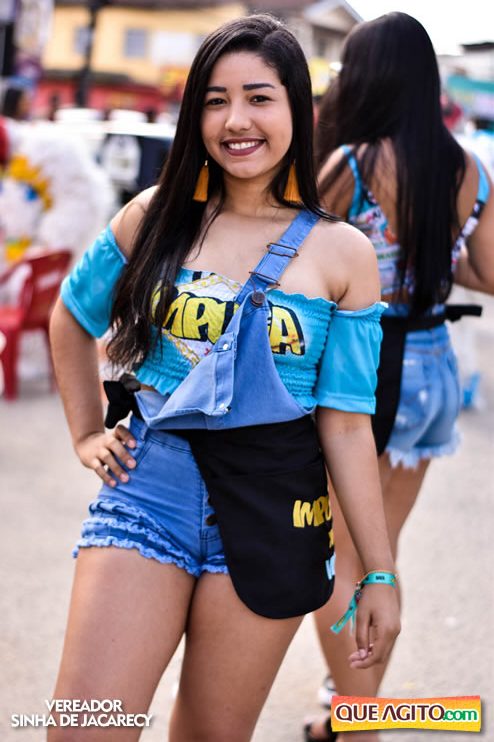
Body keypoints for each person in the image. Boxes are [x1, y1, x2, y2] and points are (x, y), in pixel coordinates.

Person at [48, 14, 400, 742]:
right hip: (147, 493)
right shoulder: (152, 217)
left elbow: (345, 423)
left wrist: (378, 573)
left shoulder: (344, 254)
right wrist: (85, 432)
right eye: (215, 100)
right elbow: (71, 316)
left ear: (297, 109)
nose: (236, 120)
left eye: (258, 97)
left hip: (275, 510)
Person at [307, 12, 494, 741]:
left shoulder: (350, 164)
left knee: (338, 557)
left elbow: (300, 261)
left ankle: (357, 721)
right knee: (381, 562)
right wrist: (430, 256)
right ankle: (354, 712)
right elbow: (488, 273)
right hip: (433, 371)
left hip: (364, 374)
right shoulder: (466, 167)